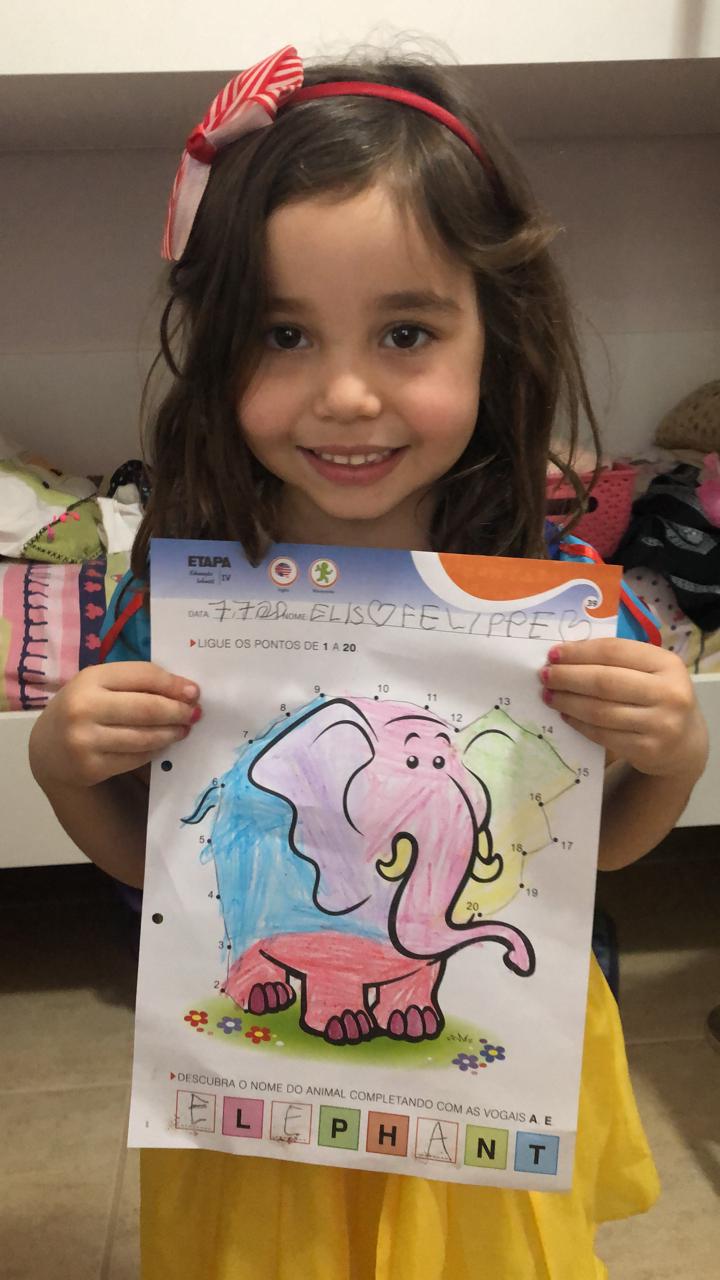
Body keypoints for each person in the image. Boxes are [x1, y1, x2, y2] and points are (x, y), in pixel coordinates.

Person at [29, 44, 708, 1280]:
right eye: (283, 333)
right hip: (265, 1107)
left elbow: (600, 850)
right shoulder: (188, 597)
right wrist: (65, 766)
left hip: (489, 1085)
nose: (344, 393)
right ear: (217, 347)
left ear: (494, 337)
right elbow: (156, 868)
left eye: (405, 332)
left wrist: (672, 753)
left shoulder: (547, 590)